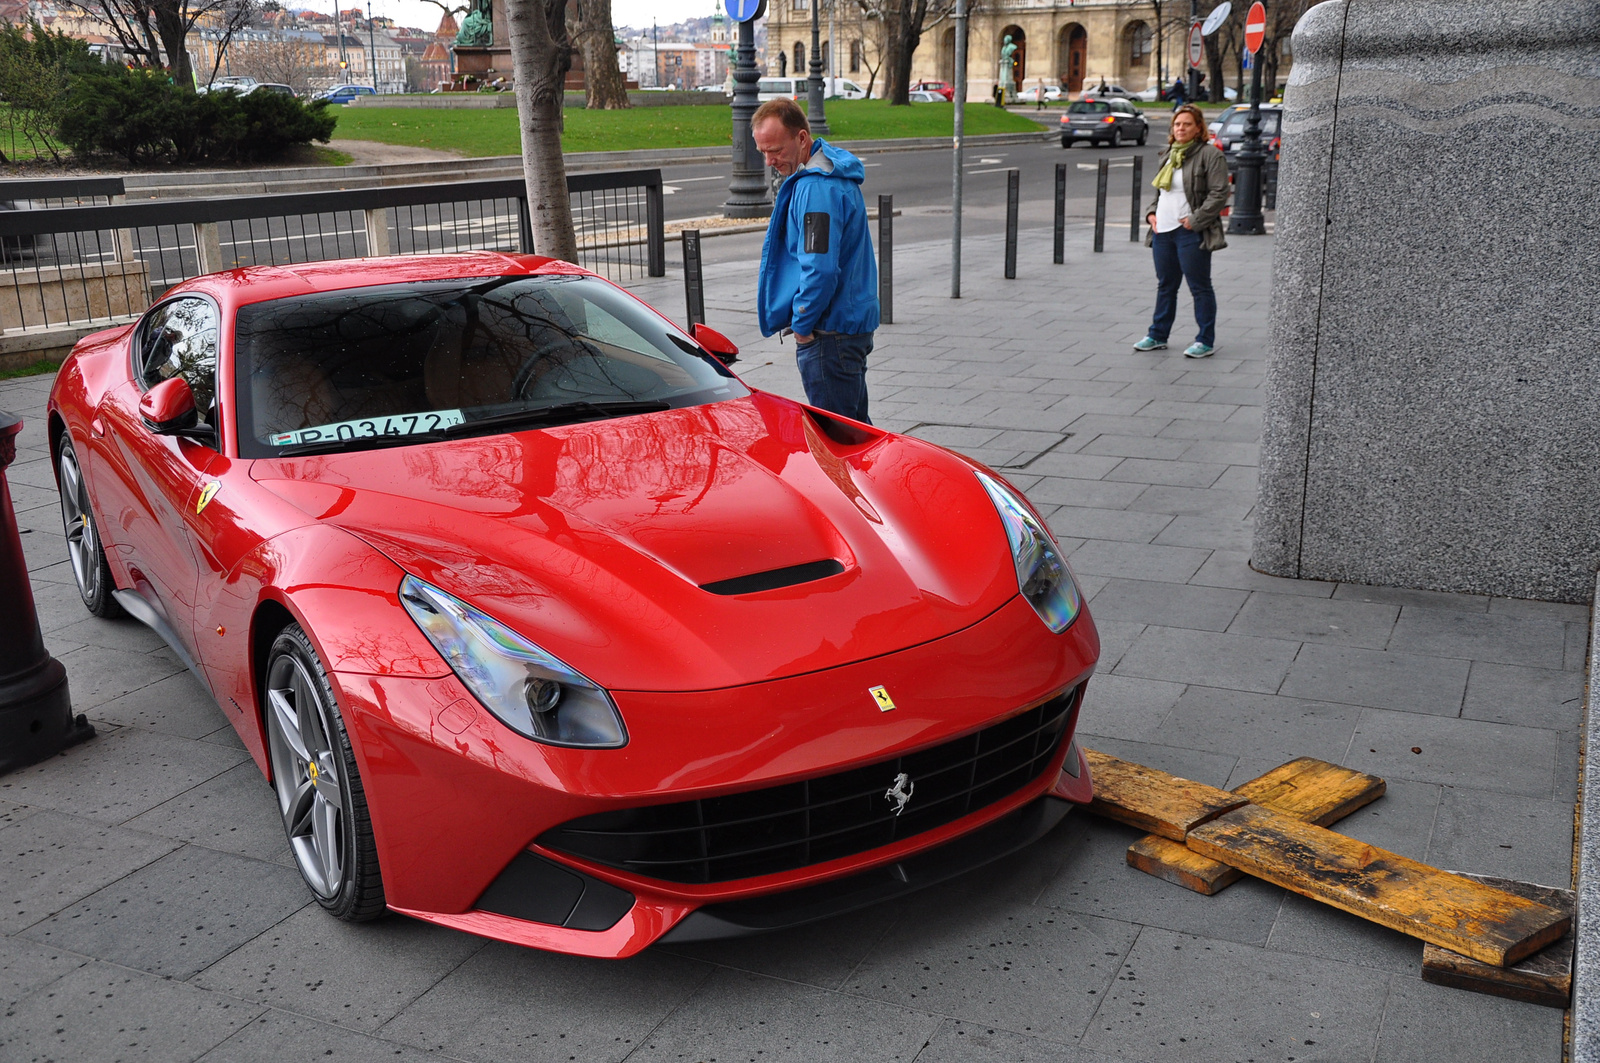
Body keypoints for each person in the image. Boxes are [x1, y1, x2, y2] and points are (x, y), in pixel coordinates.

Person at [751, 97, 879, 423]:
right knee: (856, 434)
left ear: (802, 138)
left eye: (776, 150)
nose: (769, 161)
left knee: (839, 443)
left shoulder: (816, 188)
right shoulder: (832, 173)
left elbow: (819, 267)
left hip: (830, 334)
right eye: (763, 151)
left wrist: (803, 324)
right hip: (847, 326)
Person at [1133, 103, 1229, 358]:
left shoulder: (1210, 155)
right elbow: (1161, 191)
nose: (1181, 128)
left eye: (1187, 124)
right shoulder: (1170, 153)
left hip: (1190, 231)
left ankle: (1205, 340)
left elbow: (1220, 192)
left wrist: (1196, 220)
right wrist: (1151, 213)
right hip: (1163, 230)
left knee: (1199, 286)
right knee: (1166, 285)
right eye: (1177, 124)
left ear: (1198, 128)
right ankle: (1157, 335)